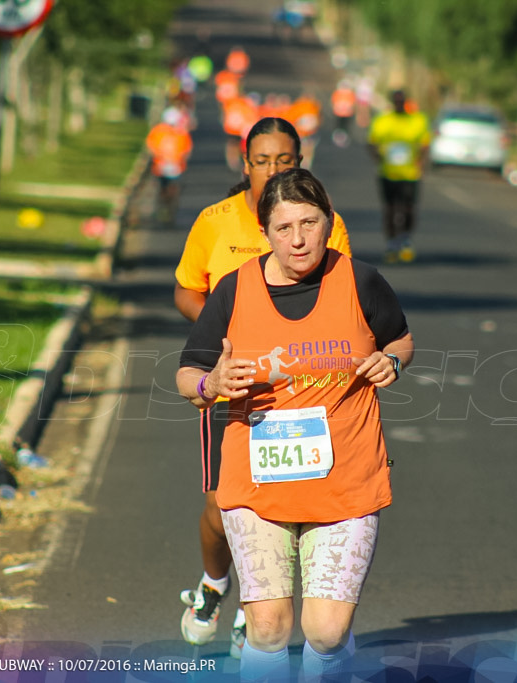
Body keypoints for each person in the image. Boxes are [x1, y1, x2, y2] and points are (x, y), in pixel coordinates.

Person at [176, 168, 414, 681]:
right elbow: (188, 373)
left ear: (329, 224)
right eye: (284, 228)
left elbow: (399, 338)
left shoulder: (360, 280)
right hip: (258, 486)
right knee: (267, 627)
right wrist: (210, 383)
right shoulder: (234, 291)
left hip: (345, 483)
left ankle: (333, 655)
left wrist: (391, 362)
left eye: (310, 223)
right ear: (265, 233)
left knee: (326, 632)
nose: (298, 238)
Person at [173, 118, 353, 658]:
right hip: (233, 388)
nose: (273, 169)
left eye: (286, 160)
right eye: (262, 160)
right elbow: (186, 291)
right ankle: (214, 585)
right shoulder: (215, 222)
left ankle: (259, 611)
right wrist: (223, 332)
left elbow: (345, 296)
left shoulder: (326, 223)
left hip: (305, 393)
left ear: (301, 162)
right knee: (221, 508)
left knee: (292, 506)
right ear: (244, 162)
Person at [367, 89, 431, 263]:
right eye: (396, 101)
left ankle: (405, 238)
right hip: (388, 172)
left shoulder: (417, 120)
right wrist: (378, 158)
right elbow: (372, 142)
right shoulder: (382, 121)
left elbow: (425, 143)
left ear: (406, 102)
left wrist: (421, 161)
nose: (399, 105)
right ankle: (392, 243)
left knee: (409, 208)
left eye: (401, 101)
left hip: (410, 173)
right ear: (391, 103)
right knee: (390, 208)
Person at [145, 107, 193, 225]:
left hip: (176, 167)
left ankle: (171, 211)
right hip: (161, 166)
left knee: (174, 190)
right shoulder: (158, 131)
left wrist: (181, 159)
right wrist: (158, 157)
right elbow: (150, 145)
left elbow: (187, 149)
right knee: (163, 189)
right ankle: (162, 209)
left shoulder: (181, 133)